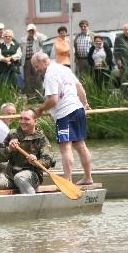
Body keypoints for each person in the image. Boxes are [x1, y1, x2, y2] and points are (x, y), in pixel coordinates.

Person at [32, 52, 93, 185]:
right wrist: (85, 104)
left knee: (65, 148)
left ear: (44, 61)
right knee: (81, 145)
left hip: (65, 114)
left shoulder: (50, 75)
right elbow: (79, 87)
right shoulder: (64, 69)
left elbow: (53, 100)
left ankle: (68, 181)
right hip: (78, 109)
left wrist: (40, 110)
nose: (36, 70)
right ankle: (88, 177)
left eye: (37, 66)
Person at [0, 108, 55, 194]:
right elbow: (0, 157)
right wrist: (9, 149)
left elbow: (48, 160)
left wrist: (36, 162)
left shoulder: (41, 138)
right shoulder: (12, 134)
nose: (22, 122)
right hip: (10, 175)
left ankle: (32, 200)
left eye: (26, 119)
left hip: (32, 175)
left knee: (20, 177)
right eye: (21, 118)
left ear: (35, 121)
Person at [20, 24, 47, 99]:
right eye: (30, 31)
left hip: (36, 61)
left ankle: (39, 96)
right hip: (27, 61)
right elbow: (21, 49)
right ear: (27, 31)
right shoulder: (23, 39)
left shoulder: (38, 38)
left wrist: (36, 33)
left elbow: (44, 39)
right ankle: (30, 97)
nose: (31, 32)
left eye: (32, 31)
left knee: (38, 78)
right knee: (27, 79)